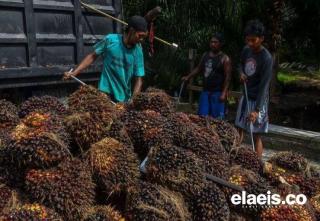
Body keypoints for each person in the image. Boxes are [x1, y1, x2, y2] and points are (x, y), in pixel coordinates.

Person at [63, 16, 148, 103]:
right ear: (131, 31)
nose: (141, 39)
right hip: (105, 93)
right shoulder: (110, 40)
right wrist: (75, 72)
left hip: (123, 98)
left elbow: (139, 79)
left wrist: (133, 101)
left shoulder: (138, 51)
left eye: (143, 37)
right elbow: (92, 56)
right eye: (140, 35)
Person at [235, 20, 273, 158]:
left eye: (253, 40)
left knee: (256, 134)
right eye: (248, 40)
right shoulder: (246, 50)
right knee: (239, 128)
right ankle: (234, 156)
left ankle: (257, 165)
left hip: (258, 99)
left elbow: (264, 86)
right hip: (246, 95)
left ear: (261, 39)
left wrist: (257, 110)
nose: (250, 43)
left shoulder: (266, 58)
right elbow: (239, 64)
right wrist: (241, 73)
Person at [182, 33, 231, 119]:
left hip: (217, 93)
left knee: (217, 120)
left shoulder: (224, 58)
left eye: (215, 42)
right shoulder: (205, 55)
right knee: (202, 118)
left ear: (220, 44)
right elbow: (198, 68)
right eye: (211, 42)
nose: (213, 44)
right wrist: (188, 77)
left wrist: (224, 93)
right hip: (205, 91)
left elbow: (228, 77)